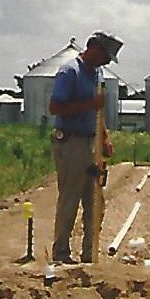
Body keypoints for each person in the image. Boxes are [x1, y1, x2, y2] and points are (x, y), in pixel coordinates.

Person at [49, 31, 123, 264]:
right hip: (71, 143)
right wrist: (90, 104)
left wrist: (104, 138)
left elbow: (97, 114)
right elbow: (55, 107)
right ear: (94, 49)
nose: (108, 62)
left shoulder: (97, 74)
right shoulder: (70, 72)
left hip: (91, 143)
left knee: (95, 201)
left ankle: (89, 255)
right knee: (70, 199)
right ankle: (61, 254)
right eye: (106, 56)